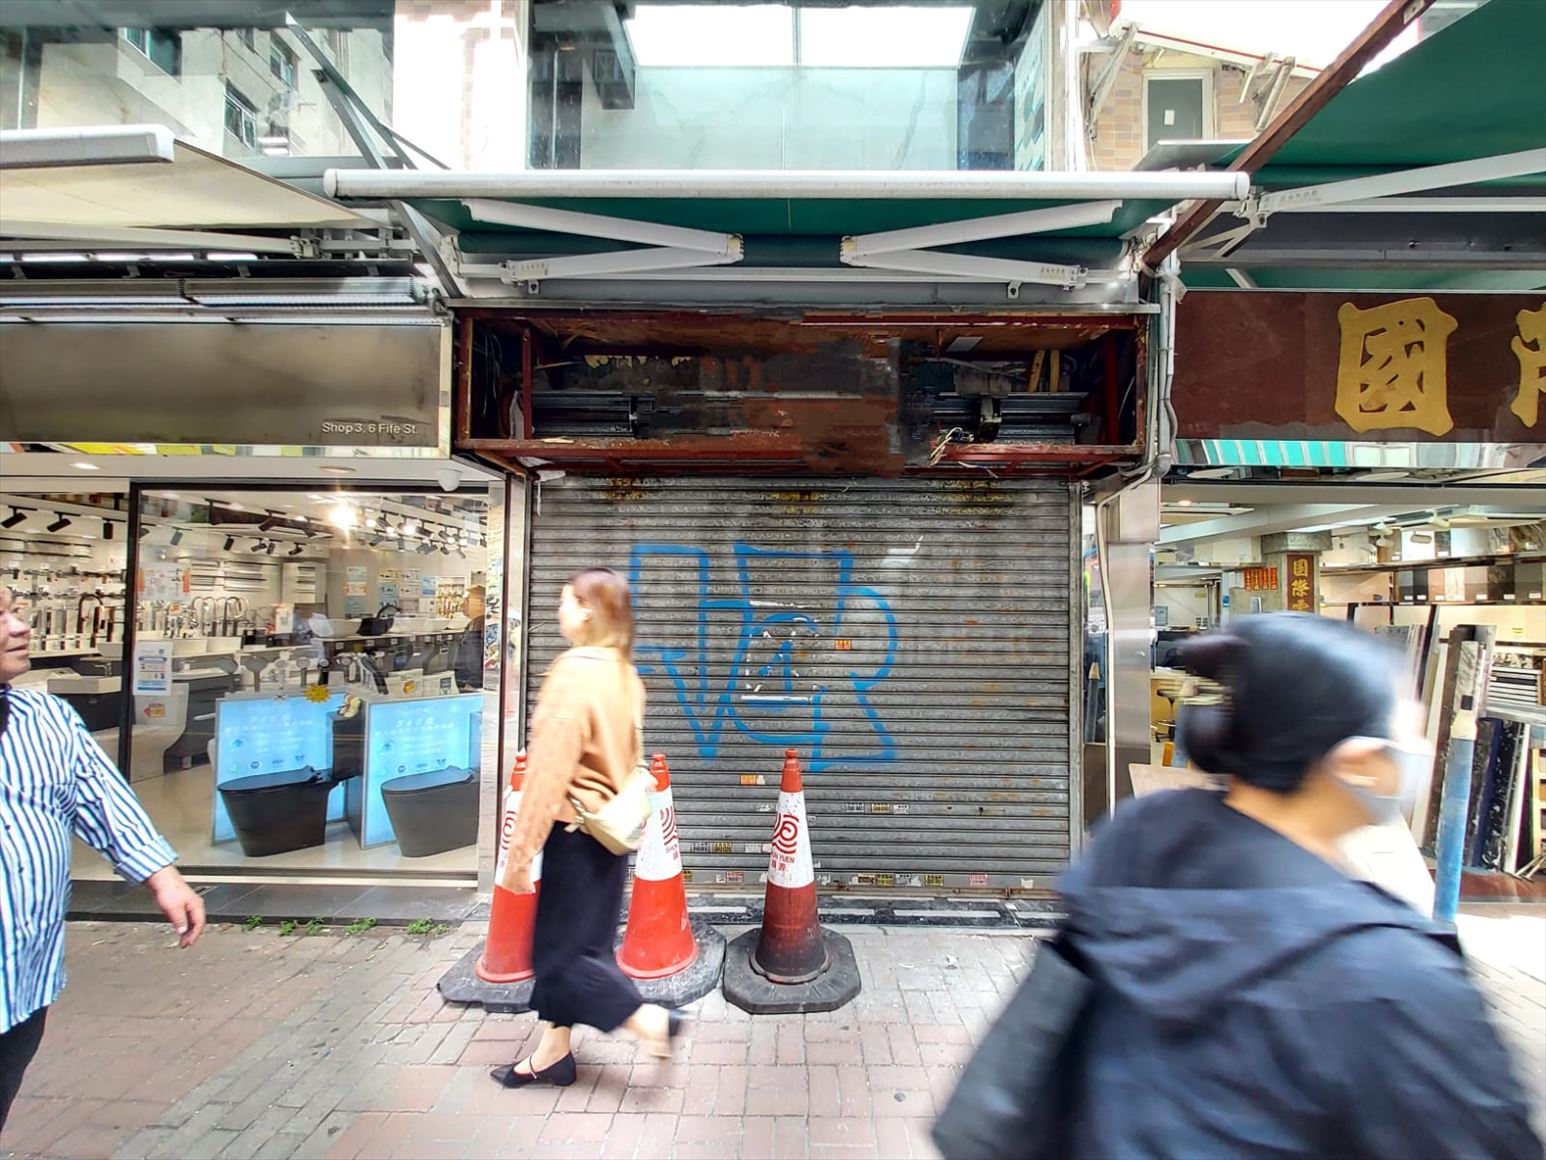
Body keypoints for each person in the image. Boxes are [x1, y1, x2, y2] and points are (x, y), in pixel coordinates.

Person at [1057, 613, 1540, 1159]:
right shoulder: (1397, 980)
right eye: (1407, 726)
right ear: (1359, 762)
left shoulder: (1133, 842)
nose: (1418, 746)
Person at [0, 586, 205, 1133]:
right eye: (0, 617)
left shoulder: (44, 718)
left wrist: (162, 876)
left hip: (22, 980)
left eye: (15, 611)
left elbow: (100, 798)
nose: (20, 628)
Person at [491, 568, 680, 1087]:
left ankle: (651, 1023)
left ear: (590, 609)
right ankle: (552, 1054)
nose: (558, 611)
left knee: (562, 957)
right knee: (577, 948)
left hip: (573, 833)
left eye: (565, 601)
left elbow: (550, 767)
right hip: (608, 834)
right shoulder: (625, 673)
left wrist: (519, 852)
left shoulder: (575, 671)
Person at [453, 585, 486, 691]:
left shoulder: (481, 625)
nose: (462, 605)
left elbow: (474, 658)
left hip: (475, 686)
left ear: (482, 603)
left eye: (467, 600)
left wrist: (473, 683)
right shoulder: (472, 624)